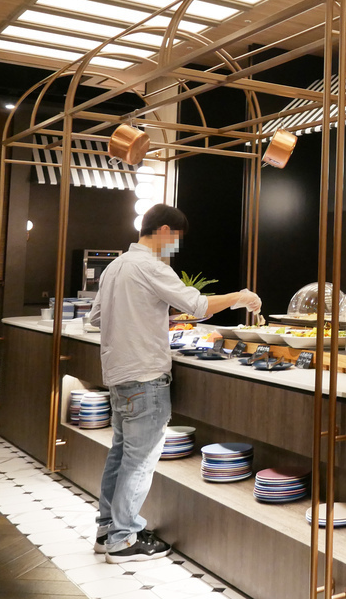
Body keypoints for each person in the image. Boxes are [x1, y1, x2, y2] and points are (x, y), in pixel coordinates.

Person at [89, 204, 262, 563]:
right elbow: (197, 305)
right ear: (165, 231)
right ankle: (123, 540)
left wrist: (151, 313)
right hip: (146, 377)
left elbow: (95, 317)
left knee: (121, 455)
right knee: (139, 460)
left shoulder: (115, 266)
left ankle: (107, 530)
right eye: (177, 240)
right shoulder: (150, 266)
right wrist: (241, 297)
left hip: (118, 376)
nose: (176, 248)